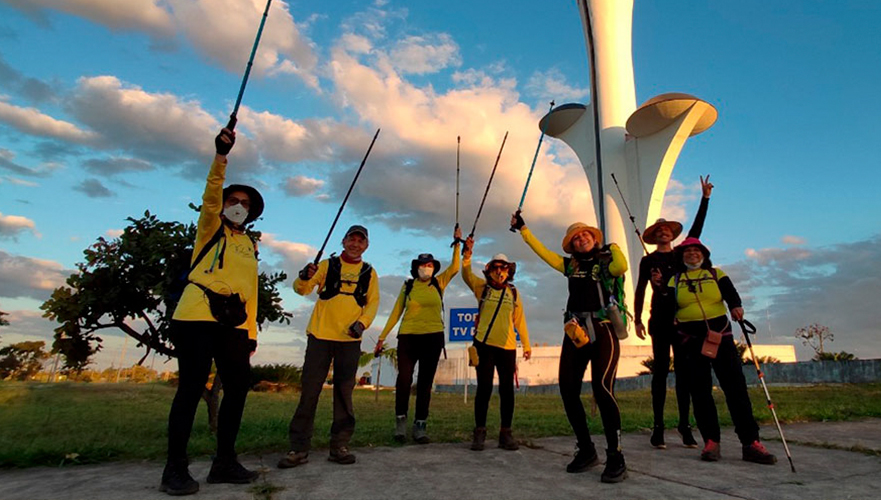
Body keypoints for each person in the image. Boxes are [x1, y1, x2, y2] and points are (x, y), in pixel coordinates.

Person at [162, 127, 264, 495]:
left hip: (234, 323)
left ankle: (224, 462)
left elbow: (251, 292)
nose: (239, 206)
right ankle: (174, 469)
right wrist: (221, 156)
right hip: (196, 317)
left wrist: (251, 333)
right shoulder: (210, 228)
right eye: (233, 200)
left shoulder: (249, 244)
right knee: (190, 388)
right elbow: (210, 195)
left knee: (238, 388)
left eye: (246, 204)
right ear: (223, 204)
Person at [511, 214, 628, 483]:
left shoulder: (606, 261)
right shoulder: (570, 266)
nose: (581, 238)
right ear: (572, 246)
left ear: (595, 239)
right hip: (576, 332)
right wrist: (524, 229)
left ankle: (616, 455)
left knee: (602, 388)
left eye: (585, 234)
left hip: (603, 330)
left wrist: (614, 247)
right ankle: (586, 449)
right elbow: (543, 253)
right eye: (575, 238)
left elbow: (622, 266)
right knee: (567, 389)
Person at [661, 237, 776, 465]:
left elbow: (731, 294)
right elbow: (667, 307)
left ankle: (751, 442)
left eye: (696, 250)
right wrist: (663, 298)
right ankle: (711, 441)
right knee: (700, 391)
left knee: (736, 388)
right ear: (681, 257)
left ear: (704, 254)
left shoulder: (716, 274)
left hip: (720, 336)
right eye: (687, 251)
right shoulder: (675, 280)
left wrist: (736, 306)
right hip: (691, 340)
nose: (692, 254)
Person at [277, 225, 380, 469]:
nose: (355, 244)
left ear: (366, 246)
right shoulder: (326, 265)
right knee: (309, 391)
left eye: (360, 241)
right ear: (343, 241)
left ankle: (339, 446)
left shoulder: (369, 272)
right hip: (320, 336)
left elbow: (373, 303)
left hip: (350, 340)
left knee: (344, 394)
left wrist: (362, 324)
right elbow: (301, 290)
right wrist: (304, 276)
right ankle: (298, 448)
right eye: (352, 239)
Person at [633, 175, 713, 449]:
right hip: (659, 320)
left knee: (684, 374)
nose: (663, 232)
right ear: (654, 237)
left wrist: (704, 199)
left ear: (672, 234)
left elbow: (696, 230)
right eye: (659, 231)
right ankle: (658, 427)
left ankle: (684, 425)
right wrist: (638, 319)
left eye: (667, 229)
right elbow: (640, 289)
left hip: (683, 321)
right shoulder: (648, 261)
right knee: (659, 373)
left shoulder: (680, 256)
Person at [374, 227, 462, 444]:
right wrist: (382, 337)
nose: (426, 268)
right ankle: (400, 422)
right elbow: (396, 312)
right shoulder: (408, 286)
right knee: (404, 379)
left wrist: (457, 243)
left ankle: (420, 425)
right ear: (416, 268)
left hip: (433, 337)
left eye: (430, 265)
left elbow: (455, 267)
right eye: (423, 265)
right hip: (408, 337)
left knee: (425, 383)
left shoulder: (438, 283)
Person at [461, 236, 532, 452]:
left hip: (507, 347)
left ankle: (505, 433)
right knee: (483, 389)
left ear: (509, 271)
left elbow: (519, 320)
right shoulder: (482, 288)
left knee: (507, 391)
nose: (499, 271)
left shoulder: (514, 293)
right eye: (495, 268)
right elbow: (466, 275)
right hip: (484, 345)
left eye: (504, 268)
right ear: (489, 270)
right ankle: (479, 432)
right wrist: (467, 255)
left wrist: (526, 345)